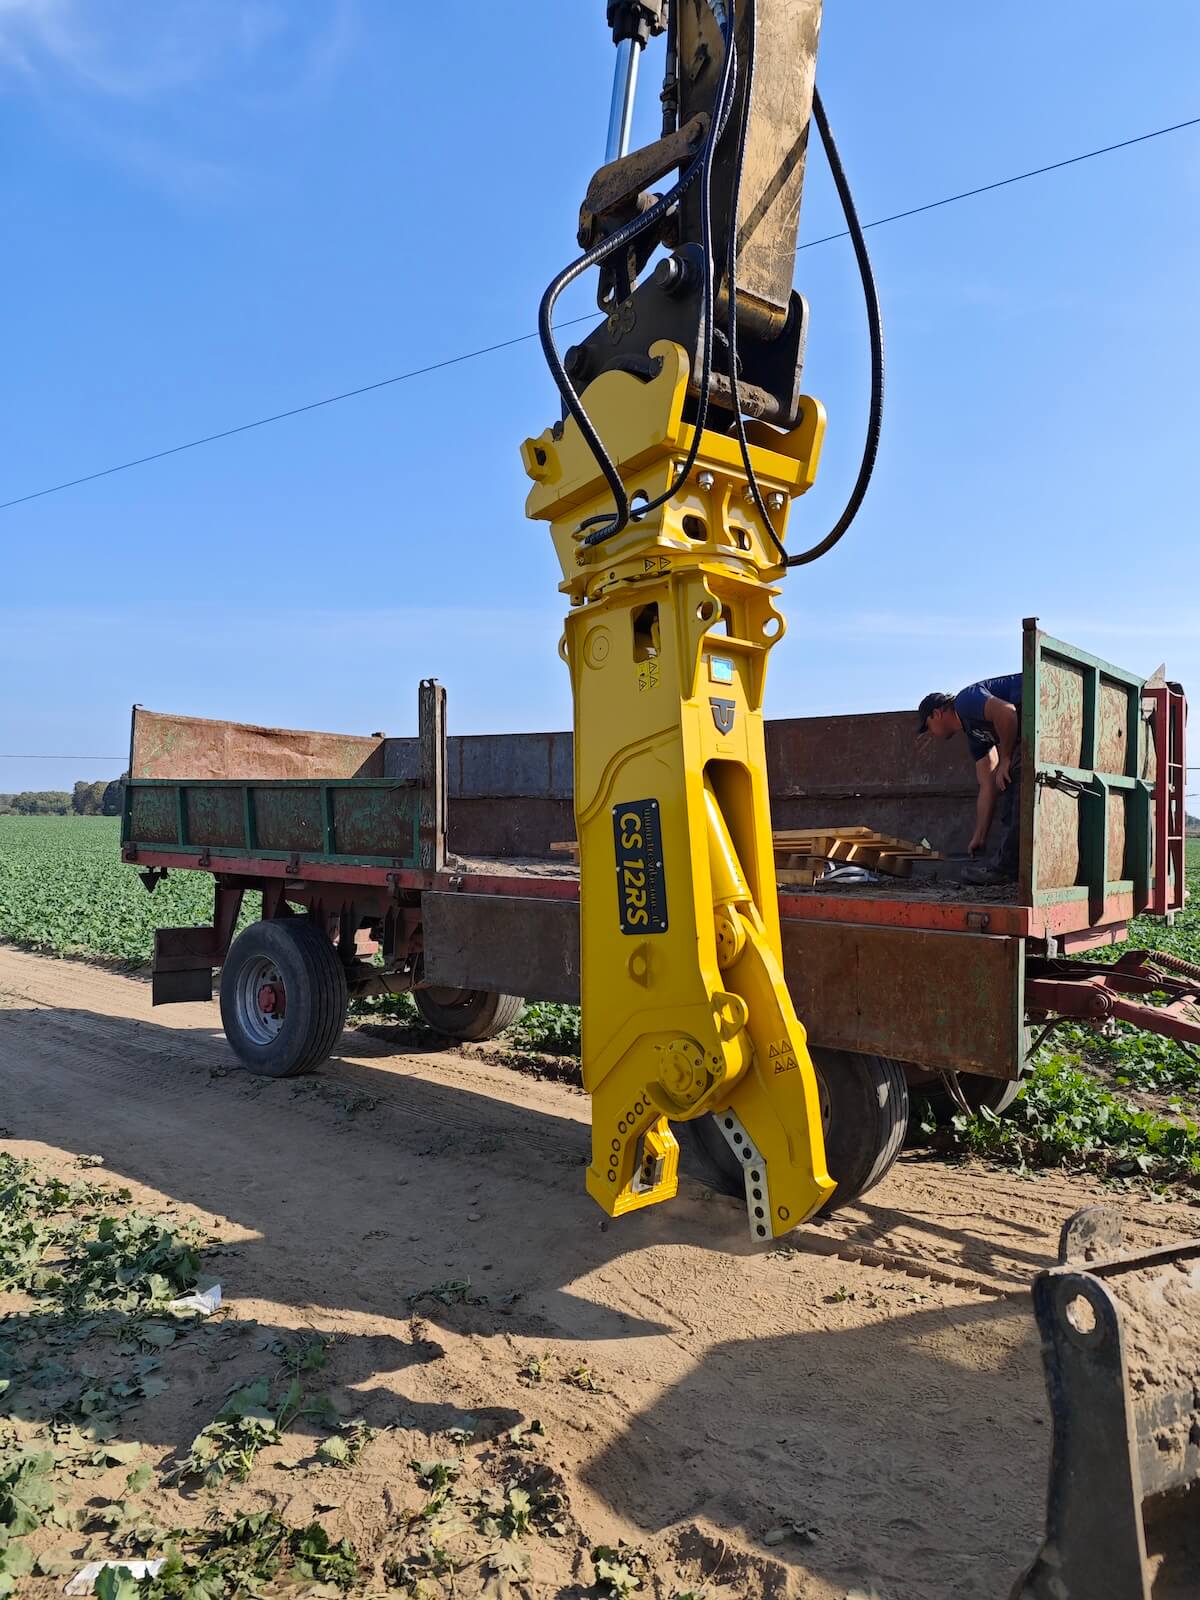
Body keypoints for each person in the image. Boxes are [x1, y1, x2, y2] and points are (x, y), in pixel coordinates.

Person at [917, 673, 1022, 884]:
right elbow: (987, 784)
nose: (931, 734)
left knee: (1019, 791)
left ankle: (1005, 871)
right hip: (1029, 736)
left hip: (1042, 705)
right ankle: (1010, 869)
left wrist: (1006, 759)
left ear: (937, 714)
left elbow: (1007, 712)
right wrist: (979, 835)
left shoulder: (966, 701)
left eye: (928, 726)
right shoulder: (974, 736)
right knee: (1010, 792)